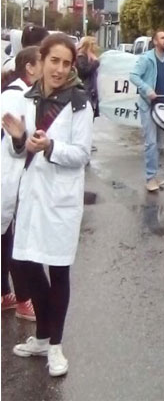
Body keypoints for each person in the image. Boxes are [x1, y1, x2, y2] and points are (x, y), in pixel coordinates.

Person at [2, 33, 93, 377]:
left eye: (66, 63)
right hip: (32, 196)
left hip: (60, 199)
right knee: (22, 263)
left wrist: (50, 146)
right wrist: (18, 140)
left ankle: (55, 344)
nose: (58, 69)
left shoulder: (80, 102)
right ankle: (41, 336)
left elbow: (82, 154)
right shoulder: (27, 97)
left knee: (58, 269)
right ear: (40, 62)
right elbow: (19, 151)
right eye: (53, 61)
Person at [1, 46, 41, 323]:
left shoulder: (20, 94)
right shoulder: (15, 97)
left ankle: (5, 294)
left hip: (14, 177)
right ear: (29, 67)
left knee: (6, 236)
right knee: (16, 239)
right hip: (10, 177)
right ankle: (24, 299)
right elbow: (14, 145)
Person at [130, 30, 164, 193]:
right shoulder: (147, 59)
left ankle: (155, 175)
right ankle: (150, 178)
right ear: (155, 42)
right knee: (150, 143)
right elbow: (134, 76)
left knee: (159, 144)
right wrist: (147, 89)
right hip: (148, 106)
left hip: (162, 107)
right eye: (162, 38)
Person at [76, 36, 100, 118]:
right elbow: (83, 72)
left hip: (90, 92)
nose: (96, 48)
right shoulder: (81, 57)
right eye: (94, 45)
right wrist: (95, 62)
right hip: (85, 92)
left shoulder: (88, 57)